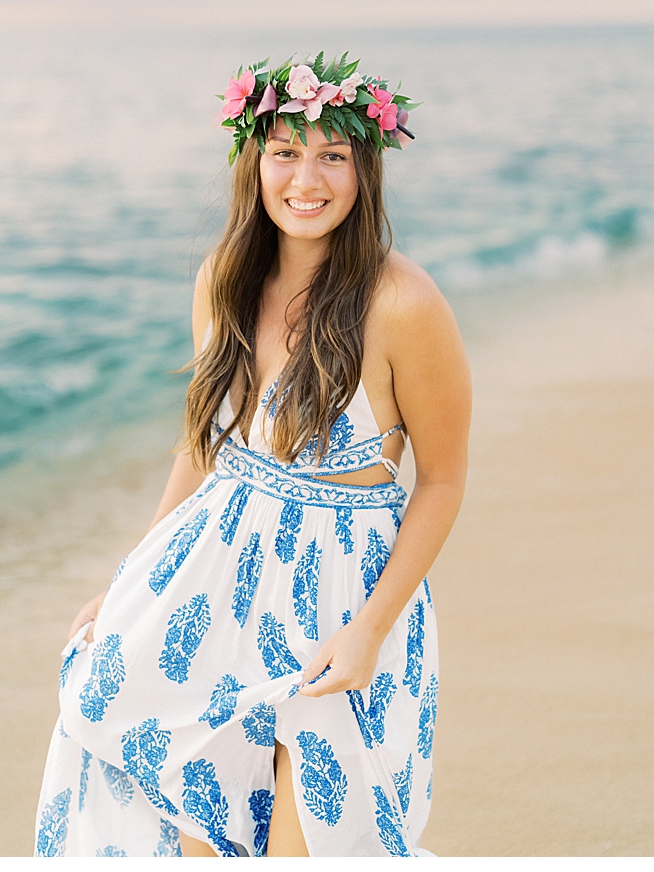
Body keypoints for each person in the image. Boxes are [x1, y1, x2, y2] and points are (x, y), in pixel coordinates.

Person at [34, 55, 470, 857]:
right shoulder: (221, 281)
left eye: (332, 156)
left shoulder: (404, 303)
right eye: (285, 152)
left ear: (364, 171)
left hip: (341, 587)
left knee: (322, 827)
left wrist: (372, 628)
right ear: (252, 163)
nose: (308, 178)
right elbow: (204, 446)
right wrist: (130, 574)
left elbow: (441, 482)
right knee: (160, 769)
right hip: (214, 564)